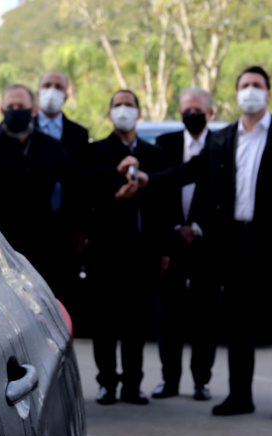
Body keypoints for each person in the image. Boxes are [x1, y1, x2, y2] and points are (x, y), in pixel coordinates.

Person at [134, 66, 272, 420]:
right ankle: (240, 396)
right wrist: (149, 180)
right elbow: (189, 171)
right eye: (244, 86)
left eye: (257, 86)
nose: (250, 91)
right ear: (236, 94)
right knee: (237, 323)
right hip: (234, 244)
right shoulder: (221, 139)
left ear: (268, 93)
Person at [0, 84, 129, 301]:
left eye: (21, 106)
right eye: (11, 106)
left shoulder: (50, 146)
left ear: (34, 110)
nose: (16, 110)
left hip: (44, 251)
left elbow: (80, 179)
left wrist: (117, 173)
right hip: (0, 248)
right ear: (1, 110)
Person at [87, 90, 167, 406]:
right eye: (118, 106)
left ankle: (133, 384)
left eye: (129, 105)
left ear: (139, 112)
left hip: (142, 252)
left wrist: (163, 249)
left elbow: (162, 205)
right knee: (104, 322)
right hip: (105, 252)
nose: (123, 110)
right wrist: (116, 193)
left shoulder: (155, 154)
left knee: (136, 322)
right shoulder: (96, 152)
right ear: (109, 114)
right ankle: (107, 382)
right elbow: (87, 193)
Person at [151, 87, 220, 402]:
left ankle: (201, 382)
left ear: (210, 113)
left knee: (205, 317)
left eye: (198, 109)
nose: (192, 114)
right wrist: (170, 235)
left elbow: (227, 199)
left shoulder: (221, 146)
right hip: (171, 247)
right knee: (169, 317)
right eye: (187, 109)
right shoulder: (164, 145)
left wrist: (198, 228)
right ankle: (169, 380)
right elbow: (158, 195)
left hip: (207, 247)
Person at [35, 70, 92, 334]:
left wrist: (81, 228)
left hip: (66, 232)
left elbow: (82, 184)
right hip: (33, 230)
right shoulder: (25, 129)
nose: (52, 90)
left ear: (67, 94)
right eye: (47, 85)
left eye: (58, 86)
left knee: (64, 300)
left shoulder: (79, 135)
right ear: (38, 91)